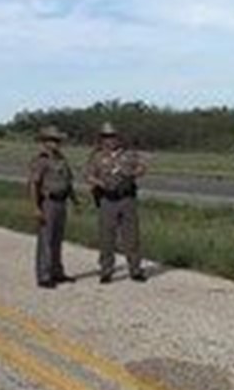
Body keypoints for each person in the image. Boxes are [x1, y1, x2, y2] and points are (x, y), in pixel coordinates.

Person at [86, 121, 149, 283]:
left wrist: (131, 172)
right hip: (107, 199)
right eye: (107, 137)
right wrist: (100, 183)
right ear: (101, 139)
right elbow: (88, 175)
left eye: (113, 136)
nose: (110, 140)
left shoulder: (129, 154)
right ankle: (106, 270)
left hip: (127, 198)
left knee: (131, 236)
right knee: (106, 237)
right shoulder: (97, 156)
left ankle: (135, 269)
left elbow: (143, 168)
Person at [27, 126, 78, 288]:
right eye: (52, 140)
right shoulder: (41, 161)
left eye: (57, 140)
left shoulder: (62, 160)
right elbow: (33, 185)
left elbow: (68, 183)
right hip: (48, 202)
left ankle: (57, 271)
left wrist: (75, 201)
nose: (55, 143)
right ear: (44, 142)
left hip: (61, 202)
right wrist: (36, 207)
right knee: (46, 240)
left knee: (57, 239)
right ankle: (44, 275)